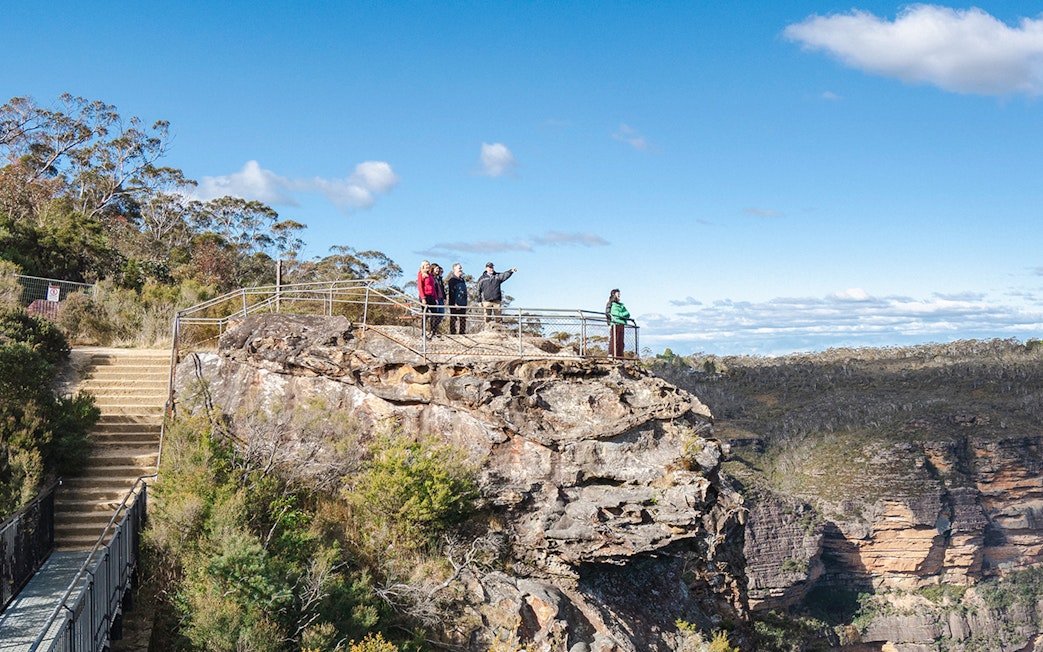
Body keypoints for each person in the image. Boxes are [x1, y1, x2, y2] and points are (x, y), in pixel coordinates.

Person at [606, 288, 630, 358]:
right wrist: (622, 314)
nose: (619, 294)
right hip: (615, 323)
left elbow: (628, 314)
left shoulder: (621, 304)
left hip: (621, 323)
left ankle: (620, 355)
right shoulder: (611, 303)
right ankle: (613, 354)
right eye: (617, 293)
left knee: (620, 341)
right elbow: (615, 313)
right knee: (615, 340)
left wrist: (622, 314)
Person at [447, 263, 468, 334]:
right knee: (453, 318)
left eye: (461, 268)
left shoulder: (462, 280)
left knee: (463, 319)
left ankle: (462, 332)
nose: (461, 270)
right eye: (459, 268)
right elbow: (451, 293)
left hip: (463, 303)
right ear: (455, 269)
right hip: (455, 303)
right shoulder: (452, 280)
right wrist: (454, 303)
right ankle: (453, 332)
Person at [430, 263, 446, 334]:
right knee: (435, 314)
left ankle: (435, 328)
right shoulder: (431, 278)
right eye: (436, 268)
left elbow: (442, 288)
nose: (438, 270)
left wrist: (444, 297)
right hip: (435, 298)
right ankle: (432, 330)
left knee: (441, 313)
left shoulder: (439, 278)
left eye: (438, 269)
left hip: (440, 298)